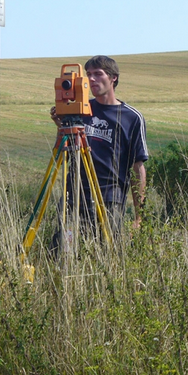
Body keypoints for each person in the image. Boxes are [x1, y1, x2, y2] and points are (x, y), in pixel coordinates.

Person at [49, 55, 148, 250]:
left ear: (113, 78)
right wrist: (61, 128)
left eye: (97, 74)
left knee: (107, 255)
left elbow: (138, 168)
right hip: (74, 197)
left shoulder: (132, 117)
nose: (91, 79)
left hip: (109, 199)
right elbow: (62, 156)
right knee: (65, 252)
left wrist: (139, 217)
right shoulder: (79, 110)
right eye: (88, 75)